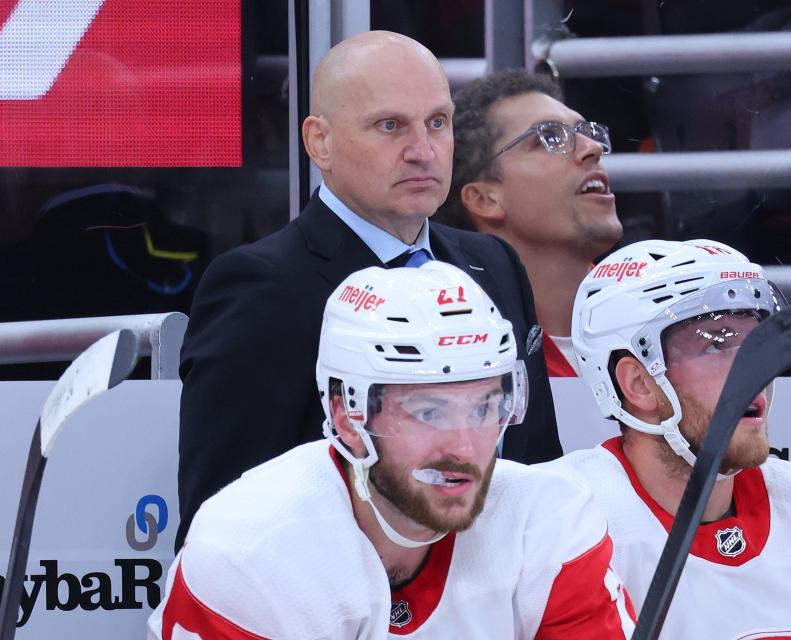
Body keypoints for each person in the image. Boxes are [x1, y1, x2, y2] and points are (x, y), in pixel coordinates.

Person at [176, 32, 562, 550]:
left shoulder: (493, 263)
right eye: (390, 126)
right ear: (320, 143)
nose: (422, 151)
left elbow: (536, 468)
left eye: (437, 123)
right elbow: (222, 523)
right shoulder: (261, 286)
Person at [149, 262, 635, 639]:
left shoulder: (548, 521)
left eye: (485, 407)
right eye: (428, 413)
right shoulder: (247, 554)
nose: (464, 446)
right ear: (347, 416)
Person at [539, 239, 791, 638]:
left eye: (757, 341)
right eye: (717, 343)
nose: (754, 367)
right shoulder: (556, 533)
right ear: (638, 384)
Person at [437, 69, 622, 378]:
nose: (593, 148)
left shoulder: (664, 323)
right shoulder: (455, 360)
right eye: (548, 138)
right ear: (484, 199)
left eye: (585, 132)